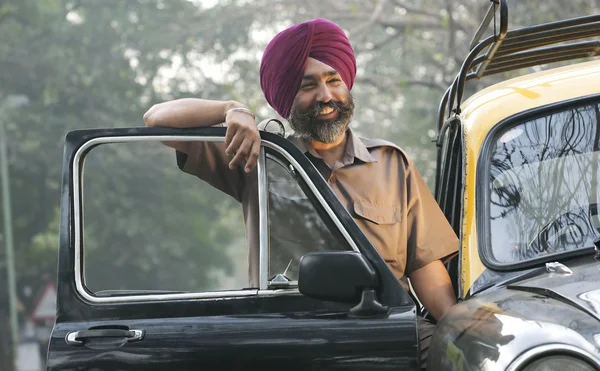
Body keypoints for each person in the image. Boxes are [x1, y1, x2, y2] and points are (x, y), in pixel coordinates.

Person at [144, 18, 458, 369]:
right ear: (287, 96)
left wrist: (461, 331)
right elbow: (156, 119)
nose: (325, 96)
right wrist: (232, 109)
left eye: (333, 80)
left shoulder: (392, 163)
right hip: (295, 336)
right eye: (308, 85)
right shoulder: (258, 156)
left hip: (390, 329)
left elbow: (424, 266)